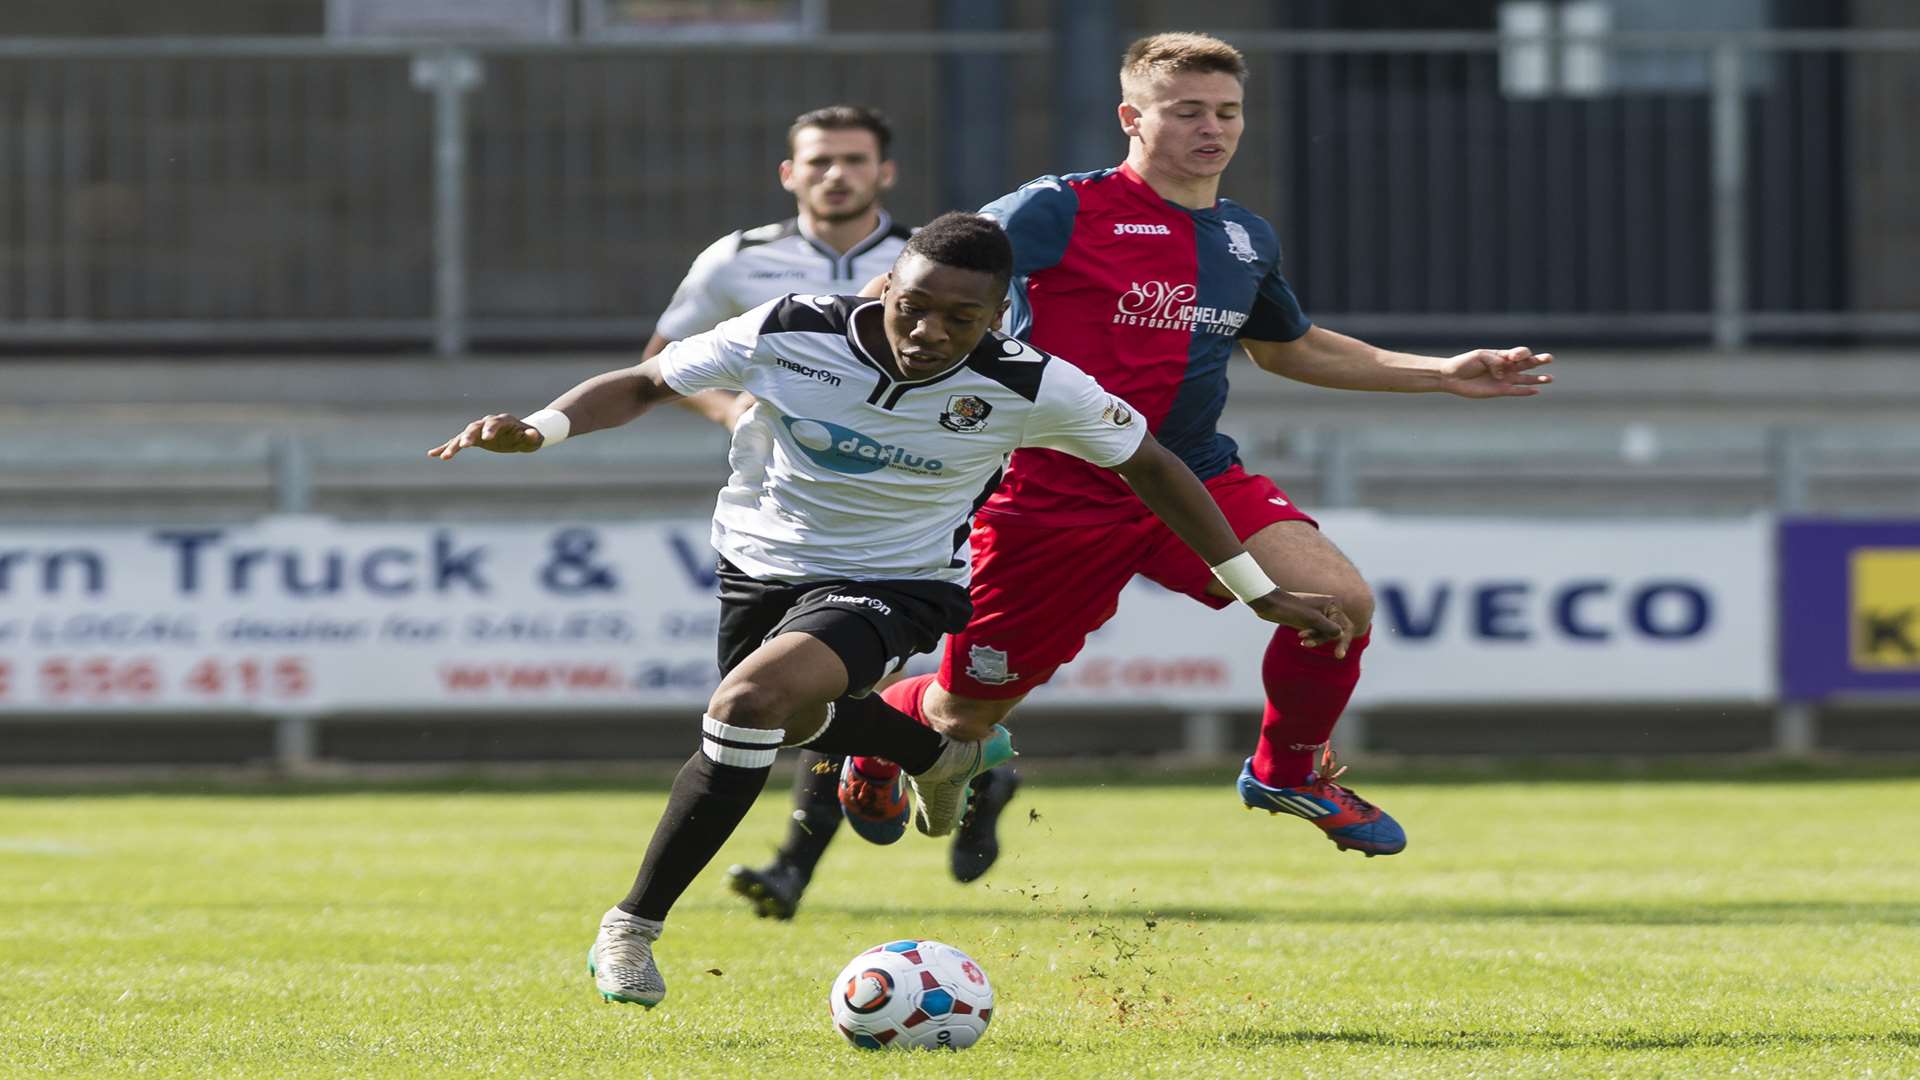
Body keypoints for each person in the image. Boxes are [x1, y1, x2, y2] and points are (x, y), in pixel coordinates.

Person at [426, 213, 1354, 1007]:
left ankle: (630, 928)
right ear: (886, 287)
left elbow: (1154, 464)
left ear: (999, 317)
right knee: (780, 721)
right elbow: (647, 380)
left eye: (962, 318)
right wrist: (540, 427)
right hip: (759, 564)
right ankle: (936, 750)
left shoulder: (1030, 382)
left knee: (748, 706)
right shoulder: (794, 326)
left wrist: (1256, 587)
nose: (929, 333)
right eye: (914, 307)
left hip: (901, 583)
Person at [841, 32, 1554, 858]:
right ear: (1131, 118)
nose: (1211, 128)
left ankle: (1287, 771)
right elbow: (908, 283)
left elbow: (1288, 347)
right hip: (1056, 490)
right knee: (967, 711)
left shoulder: (1244, 239)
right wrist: (866, 366)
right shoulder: (1058, 208)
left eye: (1227, 111)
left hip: (1193, 472)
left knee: (1339, 607)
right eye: (1186, 112)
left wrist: (1440, 373)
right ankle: (890, 721)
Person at [641, 103, 1023, 919]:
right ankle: (946, 759)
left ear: (884, 172)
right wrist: (733, 411)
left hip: (903, 523)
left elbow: (1005, 376)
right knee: (782, 706)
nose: (835, 174)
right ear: (791, 173)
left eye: (853, 159)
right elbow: (661, 364)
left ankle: (792, 867)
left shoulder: (939, 263)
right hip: (785, 506)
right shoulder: (738, 262)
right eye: (818, 161)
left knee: (782, 686)